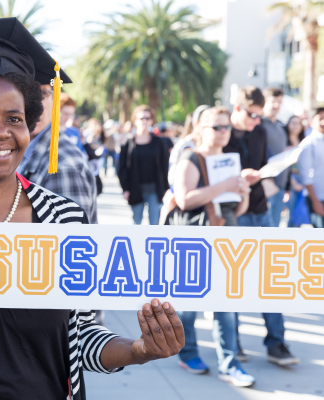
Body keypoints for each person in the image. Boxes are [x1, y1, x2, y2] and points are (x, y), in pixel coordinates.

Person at [0, 18, 185, 400]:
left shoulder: (63, 220)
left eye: (14, 118)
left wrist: (140, 350)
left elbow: (80, 334)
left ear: (30, 125)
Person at [164, 107, 254, 387]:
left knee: (226, 304)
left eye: (226, 127)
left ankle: (229, 363)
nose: (223, 132)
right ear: (202, 128)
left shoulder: (228, 160)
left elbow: (236, 209)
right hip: (196, 240)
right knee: (189, 304)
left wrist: (243, 192)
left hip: (226, 238)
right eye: (217, 127)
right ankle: (188, 352)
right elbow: (184, 199)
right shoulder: (191, 158)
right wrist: (225, 184)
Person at [224, 86, 299, 367]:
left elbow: (263, 163)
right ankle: (234, 342)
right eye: (254, 115)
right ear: (239, 109)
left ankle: (276, 343)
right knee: (233, 282)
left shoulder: (260, 131)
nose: (258, 121)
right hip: (232, 215)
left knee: (269, 279)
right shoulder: (222, 131)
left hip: (261, 209)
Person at [17, 84, 98, 224]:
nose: (32, 103)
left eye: (42, 94)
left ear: (55, 101)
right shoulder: (19, 149)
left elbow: (69, 240)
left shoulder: (63, 166)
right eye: (21, 91)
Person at [118, 105, 169, 225]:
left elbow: (165, 165)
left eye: (147, 118)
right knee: (136, 222)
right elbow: (122, 167)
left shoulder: (159, 142)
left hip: (155, 189)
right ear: (135, 120)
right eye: (141, 118)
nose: (144, 121)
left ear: (151, 120)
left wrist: (166, 188)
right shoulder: (128, 142)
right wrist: (125, 188)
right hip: (135, 188)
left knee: (155, 222)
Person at [262, 88, 290, 227]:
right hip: (265, 186)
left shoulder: (280, 126)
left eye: (279, 102)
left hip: (280, 186)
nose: (276, 105)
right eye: (273, 101)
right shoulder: (258, 125)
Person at [298, 108, 324, 228]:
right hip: (318, 198)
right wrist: (315, 201)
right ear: (311, 121)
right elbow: (306, 176)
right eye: (320, 118)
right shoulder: (308, 143)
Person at [284, 116, 306, 227]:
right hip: (290, 180)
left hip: (302, 179)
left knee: (299, 214)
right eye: (293, 123)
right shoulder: (284, 140)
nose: (295, 126)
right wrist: (292, 182)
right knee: (290, 213)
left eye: (298, 123)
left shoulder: (304, 142)